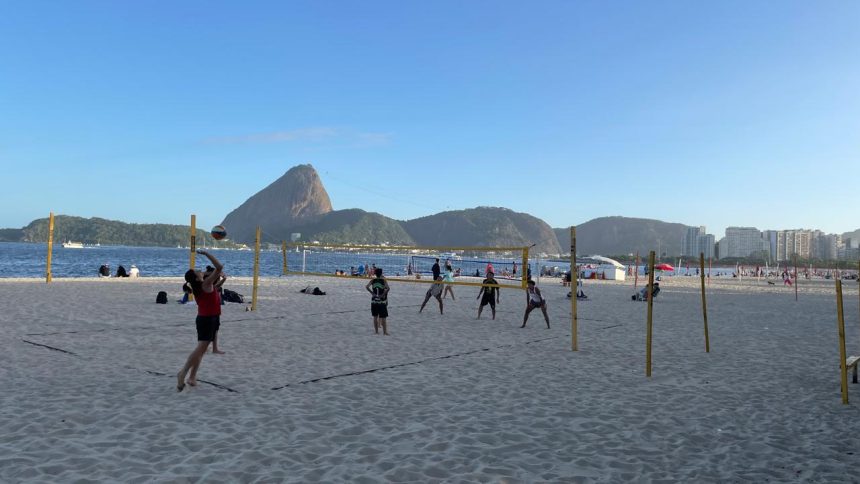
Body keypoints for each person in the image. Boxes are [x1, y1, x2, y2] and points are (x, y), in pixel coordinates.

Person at [176, 249, 224, 391]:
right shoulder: (205, 284)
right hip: (207, 320)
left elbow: (216, 282)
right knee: (200, 349)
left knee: (201, 350)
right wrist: (207, 254)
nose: (199, 270)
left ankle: (192, 377)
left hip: (207, 319)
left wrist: (219, 277)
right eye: (197, 271)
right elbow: (219, 267)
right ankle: (183, 373)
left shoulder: (202, 285)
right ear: (196, 278)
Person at [366, 268, 390, 335]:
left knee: (375, 317)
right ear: (381, 273)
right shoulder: (383, 280)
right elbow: (388, 288)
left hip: (374, 301)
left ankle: (376, 331)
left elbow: (367, 287)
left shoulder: (373, 280)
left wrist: (372, 293)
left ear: (375, 274)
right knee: (383, 317)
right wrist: (383, 295)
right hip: (381, 301)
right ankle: (385, 332)